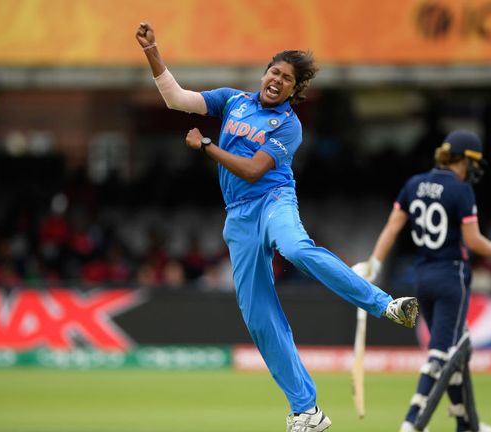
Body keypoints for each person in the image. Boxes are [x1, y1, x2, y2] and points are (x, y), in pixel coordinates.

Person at [135, 21, 420, 432]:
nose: (277, 80)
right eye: (275, 72)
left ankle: (386, 305)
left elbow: (253, 171)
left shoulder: (288, 125)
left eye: (287, 79)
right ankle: (307, 411)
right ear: (264, 73)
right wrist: (152, 50)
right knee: (258, 316)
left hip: (272, 201)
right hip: (239, 216)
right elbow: (177, 98)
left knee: (298, 249)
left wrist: (207, 146)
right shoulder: (232, 101)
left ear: (293, 91)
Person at [352, 130, 491, 432]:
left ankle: (467, 423)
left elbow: (392, 227)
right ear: (465, 159)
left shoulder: (414, 184)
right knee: (442, 354)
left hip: (423, 277)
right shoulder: (461, 190)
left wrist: (374, 263)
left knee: (457, 350)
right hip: (451, 276)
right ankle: (412, 423)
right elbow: (473, 240)